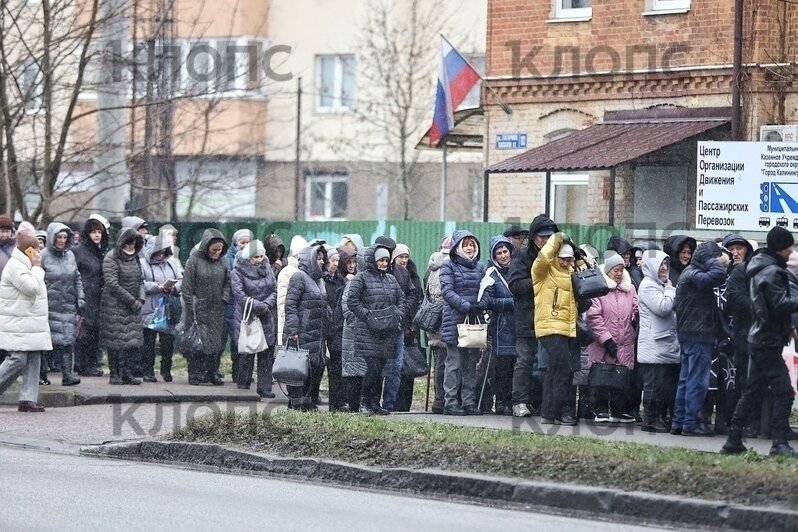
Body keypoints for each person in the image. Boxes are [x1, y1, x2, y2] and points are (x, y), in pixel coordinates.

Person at [723, 227, 798, 458]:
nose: (791, 251)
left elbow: (770, 307)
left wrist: (789, 328)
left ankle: (733, 440)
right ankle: (779, 443)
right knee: (785, 392)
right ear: (780, 247)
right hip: (767, 340)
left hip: (759, 338)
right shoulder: (771, 271)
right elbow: (780, 304)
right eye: (789, 246)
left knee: (752, 391)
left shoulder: (762, 267)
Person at [671, 240, 728, 436]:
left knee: (686, 379)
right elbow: (719, 275)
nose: (718, 262)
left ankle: (680, 422)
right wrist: (709, 257)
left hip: (690, 333)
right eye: (715, 258)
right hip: (698, 334)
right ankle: (690, 423)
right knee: (697, 379)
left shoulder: (689, 274)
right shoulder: (694, 274)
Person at [508, 214, 558, 417]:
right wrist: (539, 283)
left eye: (549, 237)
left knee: (545, 364)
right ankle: (519, 401)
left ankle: (539, 402)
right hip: (527, 318)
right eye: (540, 237)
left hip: (550, 318)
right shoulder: (522, 256)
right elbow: (515, 285)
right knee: (525, 361)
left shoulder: (557, 256)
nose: (544, 241)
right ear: (533, 237)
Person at [347, 244, 404, 415]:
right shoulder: (361, 278)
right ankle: (365, 401)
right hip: (368, 332)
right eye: (381, 260)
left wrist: (398, 314)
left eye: (386, 260)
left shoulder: (390, 279)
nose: (384, 263)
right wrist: (367, 316)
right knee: (372, 368)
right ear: (373, 260)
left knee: (381, 369)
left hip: (386, 331)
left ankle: (375, 403)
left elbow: (401, 297)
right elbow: (352, 301)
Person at [0, 232, 52, 411]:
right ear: (28, 250)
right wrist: (37, 268)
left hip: (31, 322)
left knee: (33, 358)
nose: (39, 252)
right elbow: (31, 288)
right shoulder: (16, 266)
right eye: (36, 249)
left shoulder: (27, 264)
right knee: (18, 359)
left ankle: (28, 399)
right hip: (19, 322)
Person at [533, 232, 580, 425]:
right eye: (562, 259)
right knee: (564, 369)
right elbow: (543, 257)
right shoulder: (542, 272)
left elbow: (588, 270)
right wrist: (558, 237)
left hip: (566, 329)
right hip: (549, 327)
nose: (566, 262)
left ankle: (548, 413)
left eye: (569, 259)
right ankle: (560, 410)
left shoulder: (571, 273)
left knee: (554, 370)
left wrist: (576, 251)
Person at [586, 252, 638, 423]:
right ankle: (599, 409)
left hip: (624, 341)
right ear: (607, 271)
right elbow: (594, 317)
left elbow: (635, 306)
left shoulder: (629, 289)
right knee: (602, 376)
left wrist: (636, 317)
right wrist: (606, 339)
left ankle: (619, 409)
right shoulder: (599, 289)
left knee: (621, 377)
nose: (619, 273)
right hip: (603, 343)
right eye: (616, 269)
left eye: (622, 269)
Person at [440, 230, 486, 416]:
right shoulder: (448, 266)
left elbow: (487, 289)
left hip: (474, 321)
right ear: (457, 246)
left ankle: (468, 402)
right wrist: (466, 305)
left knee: (470, 365)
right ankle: (450, 402)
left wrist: (480, 305)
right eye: (465, 244)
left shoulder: (480, 267)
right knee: (454, 363)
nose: (469, 247)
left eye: (472, 244)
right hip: (454, 320)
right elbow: (447, 292)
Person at [636, 250, 680, 432]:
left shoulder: (659, 284)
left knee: (663, 385)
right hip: (654, 344)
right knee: (653, 385)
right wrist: (671, 289)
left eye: (666, 264)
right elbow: (662, 307)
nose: (664, 268)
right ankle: (650, 420)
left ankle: (659, 418)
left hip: (664, 342)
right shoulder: (648, 286)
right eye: (661, 264)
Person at [284, 243, 330, 410]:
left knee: (313, 368)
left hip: (316, 333)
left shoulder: (320, 280)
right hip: (302, 332)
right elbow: (290, 305)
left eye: (322, 259)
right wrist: (294, 329)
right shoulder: (299, 277)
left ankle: (307, 401)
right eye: (317, 258)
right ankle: (296, 404)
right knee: (298, 369)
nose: (321, 262)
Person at [181, 228, 230, 385]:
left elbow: (227, 282)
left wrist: (224, 298)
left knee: (215, 343)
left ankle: (212, 372)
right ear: (206, 246)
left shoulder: (223, 262)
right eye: (214, 249)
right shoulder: (194, 260)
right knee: (198, 343)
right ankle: (195, 373)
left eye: (220, 250)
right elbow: (186, 287)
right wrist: (191, 307)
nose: (217, 253)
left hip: (217, 308)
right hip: (198, 308)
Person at [231, 240, 277, 397]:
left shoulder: (267, 267)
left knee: (266, 353)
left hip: (265, 315)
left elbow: (275, 289)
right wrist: (258, 305)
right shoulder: (237, 271)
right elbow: (239, 295)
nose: (259, 259)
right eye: (255, 257)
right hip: (247, 315)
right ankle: (243, 385)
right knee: (247, 351)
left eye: (261, 256)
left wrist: (266, 305)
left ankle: (265, 388)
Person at [724, 235, 759, 437]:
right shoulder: (723, 273)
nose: (735, 253)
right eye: (732, 249)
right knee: (734, 381)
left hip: (748, 333)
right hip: (733, 334)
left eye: (740, 248)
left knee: (748, 378)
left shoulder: (752, 273)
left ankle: (749, 421)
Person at [100, 228, 145, 385]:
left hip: (133, 304)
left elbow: (140, 279)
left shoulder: (136, 258)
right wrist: (131, 301)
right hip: (115, 304)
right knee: (116, 341)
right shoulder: (111, 257)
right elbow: (112, 283)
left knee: (132, 341)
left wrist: (141, 298)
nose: (131, 246)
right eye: (128, 243)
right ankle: (115, 373)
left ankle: (128, 373)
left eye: (134, 243)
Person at [41, 222, 84, 387]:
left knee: (67, 341)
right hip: (48, 304)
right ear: (52, 238)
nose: (62, 240)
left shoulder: (70, 256)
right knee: (45, 343)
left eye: (65, 237)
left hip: (67, 304)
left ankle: (68, 375)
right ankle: (42, 375)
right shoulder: (42, 256)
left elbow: (77, 278)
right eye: (59, 237)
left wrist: (81, 296)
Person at [479, 236, 516, 415]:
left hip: (519, 325)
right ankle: (502, 401)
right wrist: (511, 303)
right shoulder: (491, 274)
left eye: (505, 251)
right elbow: (488, 301)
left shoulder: (518, 270)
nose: (503, 256)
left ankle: (514, 401)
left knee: (517, 365)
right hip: (501, 326)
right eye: (499, 253)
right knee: (502, 366)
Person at [139, 234, 182, 382]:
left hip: (167, 306)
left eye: (163, 251)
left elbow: (181, 280)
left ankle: (166, 370)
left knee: (167, 342)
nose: (161, 254)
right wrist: (158, 287)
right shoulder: (142, 264)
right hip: (150, 307)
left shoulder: (172, 264)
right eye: (158, 251)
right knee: (149, 343)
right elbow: (140, 283)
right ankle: (148, 371)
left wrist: (173, 287)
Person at [72, 215, 109, 377]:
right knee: (84, 332)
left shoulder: (102, 251)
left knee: (94, 332)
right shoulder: (78, 251)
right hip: (85, 296)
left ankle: (89, 364)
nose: (96, 235)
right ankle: (84, 365)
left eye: (99, 232)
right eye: (93, 232)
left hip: (98, 297)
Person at [384, 243, 419, 412]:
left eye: (406, 257)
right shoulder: (385, 273)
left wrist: (402, 310)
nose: (404, 260)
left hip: (402, 325)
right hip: (384, 326)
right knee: (384, 366)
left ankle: (391, 404)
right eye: (401, 257)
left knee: (397, 368)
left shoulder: (407, 273)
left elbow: (414, 294)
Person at [325, 246, 355, 411]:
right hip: (334, 329)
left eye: (354, 262)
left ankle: (342, 401)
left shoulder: (346, 280)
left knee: (344, 369)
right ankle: (335, 403)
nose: (351, 265)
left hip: (344, 329)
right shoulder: (334, 281)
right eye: (348, 262)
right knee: (335, 369)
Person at [425, 238, 450, 414]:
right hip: (447, 321)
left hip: (434, 323)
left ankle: (439, 399)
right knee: (448, 363)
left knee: (440, 363)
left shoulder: (431, 269)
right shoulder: (449, 268)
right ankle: (443, 400)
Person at [276, 235, 309, 345]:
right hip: (290, 325)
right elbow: (283, 303)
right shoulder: (286, 273)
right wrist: (291, 327)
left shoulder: (307, 272)